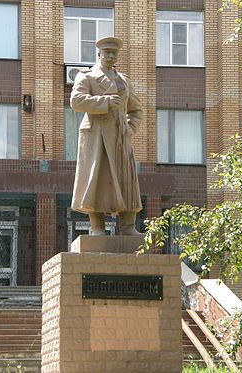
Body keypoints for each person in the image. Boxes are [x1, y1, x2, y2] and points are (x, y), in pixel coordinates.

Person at [70, 36, 143, 236]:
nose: (110, 56)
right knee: (98, 179)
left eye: (114, 53)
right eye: (107, 52)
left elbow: (136, 110)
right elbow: (76, 101)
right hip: (97, 136)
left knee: (126, 180)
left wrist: (130, 128)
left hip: (120, 137)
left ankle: (128, 226)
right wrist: (105, 102)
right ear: (99, 54)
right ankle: (97, 227)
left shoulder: (124, 80)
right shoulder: (86, 77)